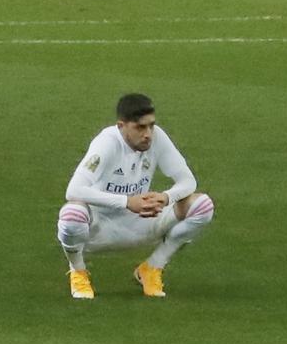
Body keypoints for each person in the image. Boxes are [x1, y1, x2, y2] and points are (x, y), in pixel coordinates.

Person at [56, 93, 215, 299]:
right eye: (140, 127)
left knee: (202, 205)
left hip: (143, 222)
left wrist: (166, 197)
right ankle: (78, 271)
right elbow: (74, 190)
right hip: (99, 229)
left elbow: (188, 181)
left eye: (151, 125)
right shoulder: (106, 143)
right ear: (121, 126)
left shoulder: (157, 137)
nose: (148, 134)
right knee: (71, 214)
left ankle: (152, 268)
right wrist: (127, 202)